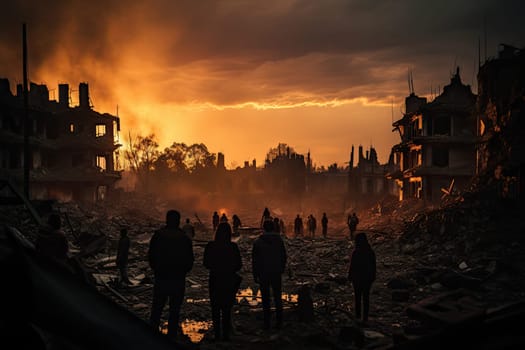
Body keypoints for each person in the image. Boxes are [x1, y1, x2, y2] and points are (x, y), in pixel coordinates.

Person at [148, 210, 194, 339]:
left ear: (167, 220)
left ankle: (151, 338)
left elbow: (151, 256)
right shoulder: (184, 238)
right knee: (174, 310)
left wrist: (157, 270)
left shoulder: (158, 235)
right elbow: (189, 261)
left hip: (161, 277)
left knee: (157, 308)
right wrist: (182, 272)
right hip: (177, 279)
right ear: (178, 221)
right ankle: (171, 336)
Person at [203, 222, 242, 341]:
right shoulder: (233, 247)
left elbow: (206, 264)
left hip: (215, 279)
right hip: (229, 280)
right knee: (226, 308)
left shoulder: (211, 246)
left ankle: (217, 334)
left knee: (215, 308)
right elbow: (239, 265)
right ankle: (226, 335)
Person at [252, 220, 287, 330]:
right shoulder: (279, 240)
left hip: (263, 273)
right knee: (277, 297)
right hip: (276, 272)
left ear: (264, 228)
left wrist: (255, 274)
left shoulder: (258, 242)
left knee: (265, 298)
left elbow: (255, 260)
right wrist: (281, 269)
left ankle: (267, 323)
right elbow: (283, 257)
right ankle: (279, 322)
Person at [348, 233, 376, 324]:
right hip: (367, 278)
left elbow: (352, 266)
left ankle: (358, 316)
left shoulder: (356, 252)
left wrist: (350, 276)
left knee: (357, 298)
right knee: (366, 298)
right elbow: (373, 266)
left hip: (357, 279)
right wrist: (372, 277)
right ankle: (365, 318)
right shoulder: (370, 252)